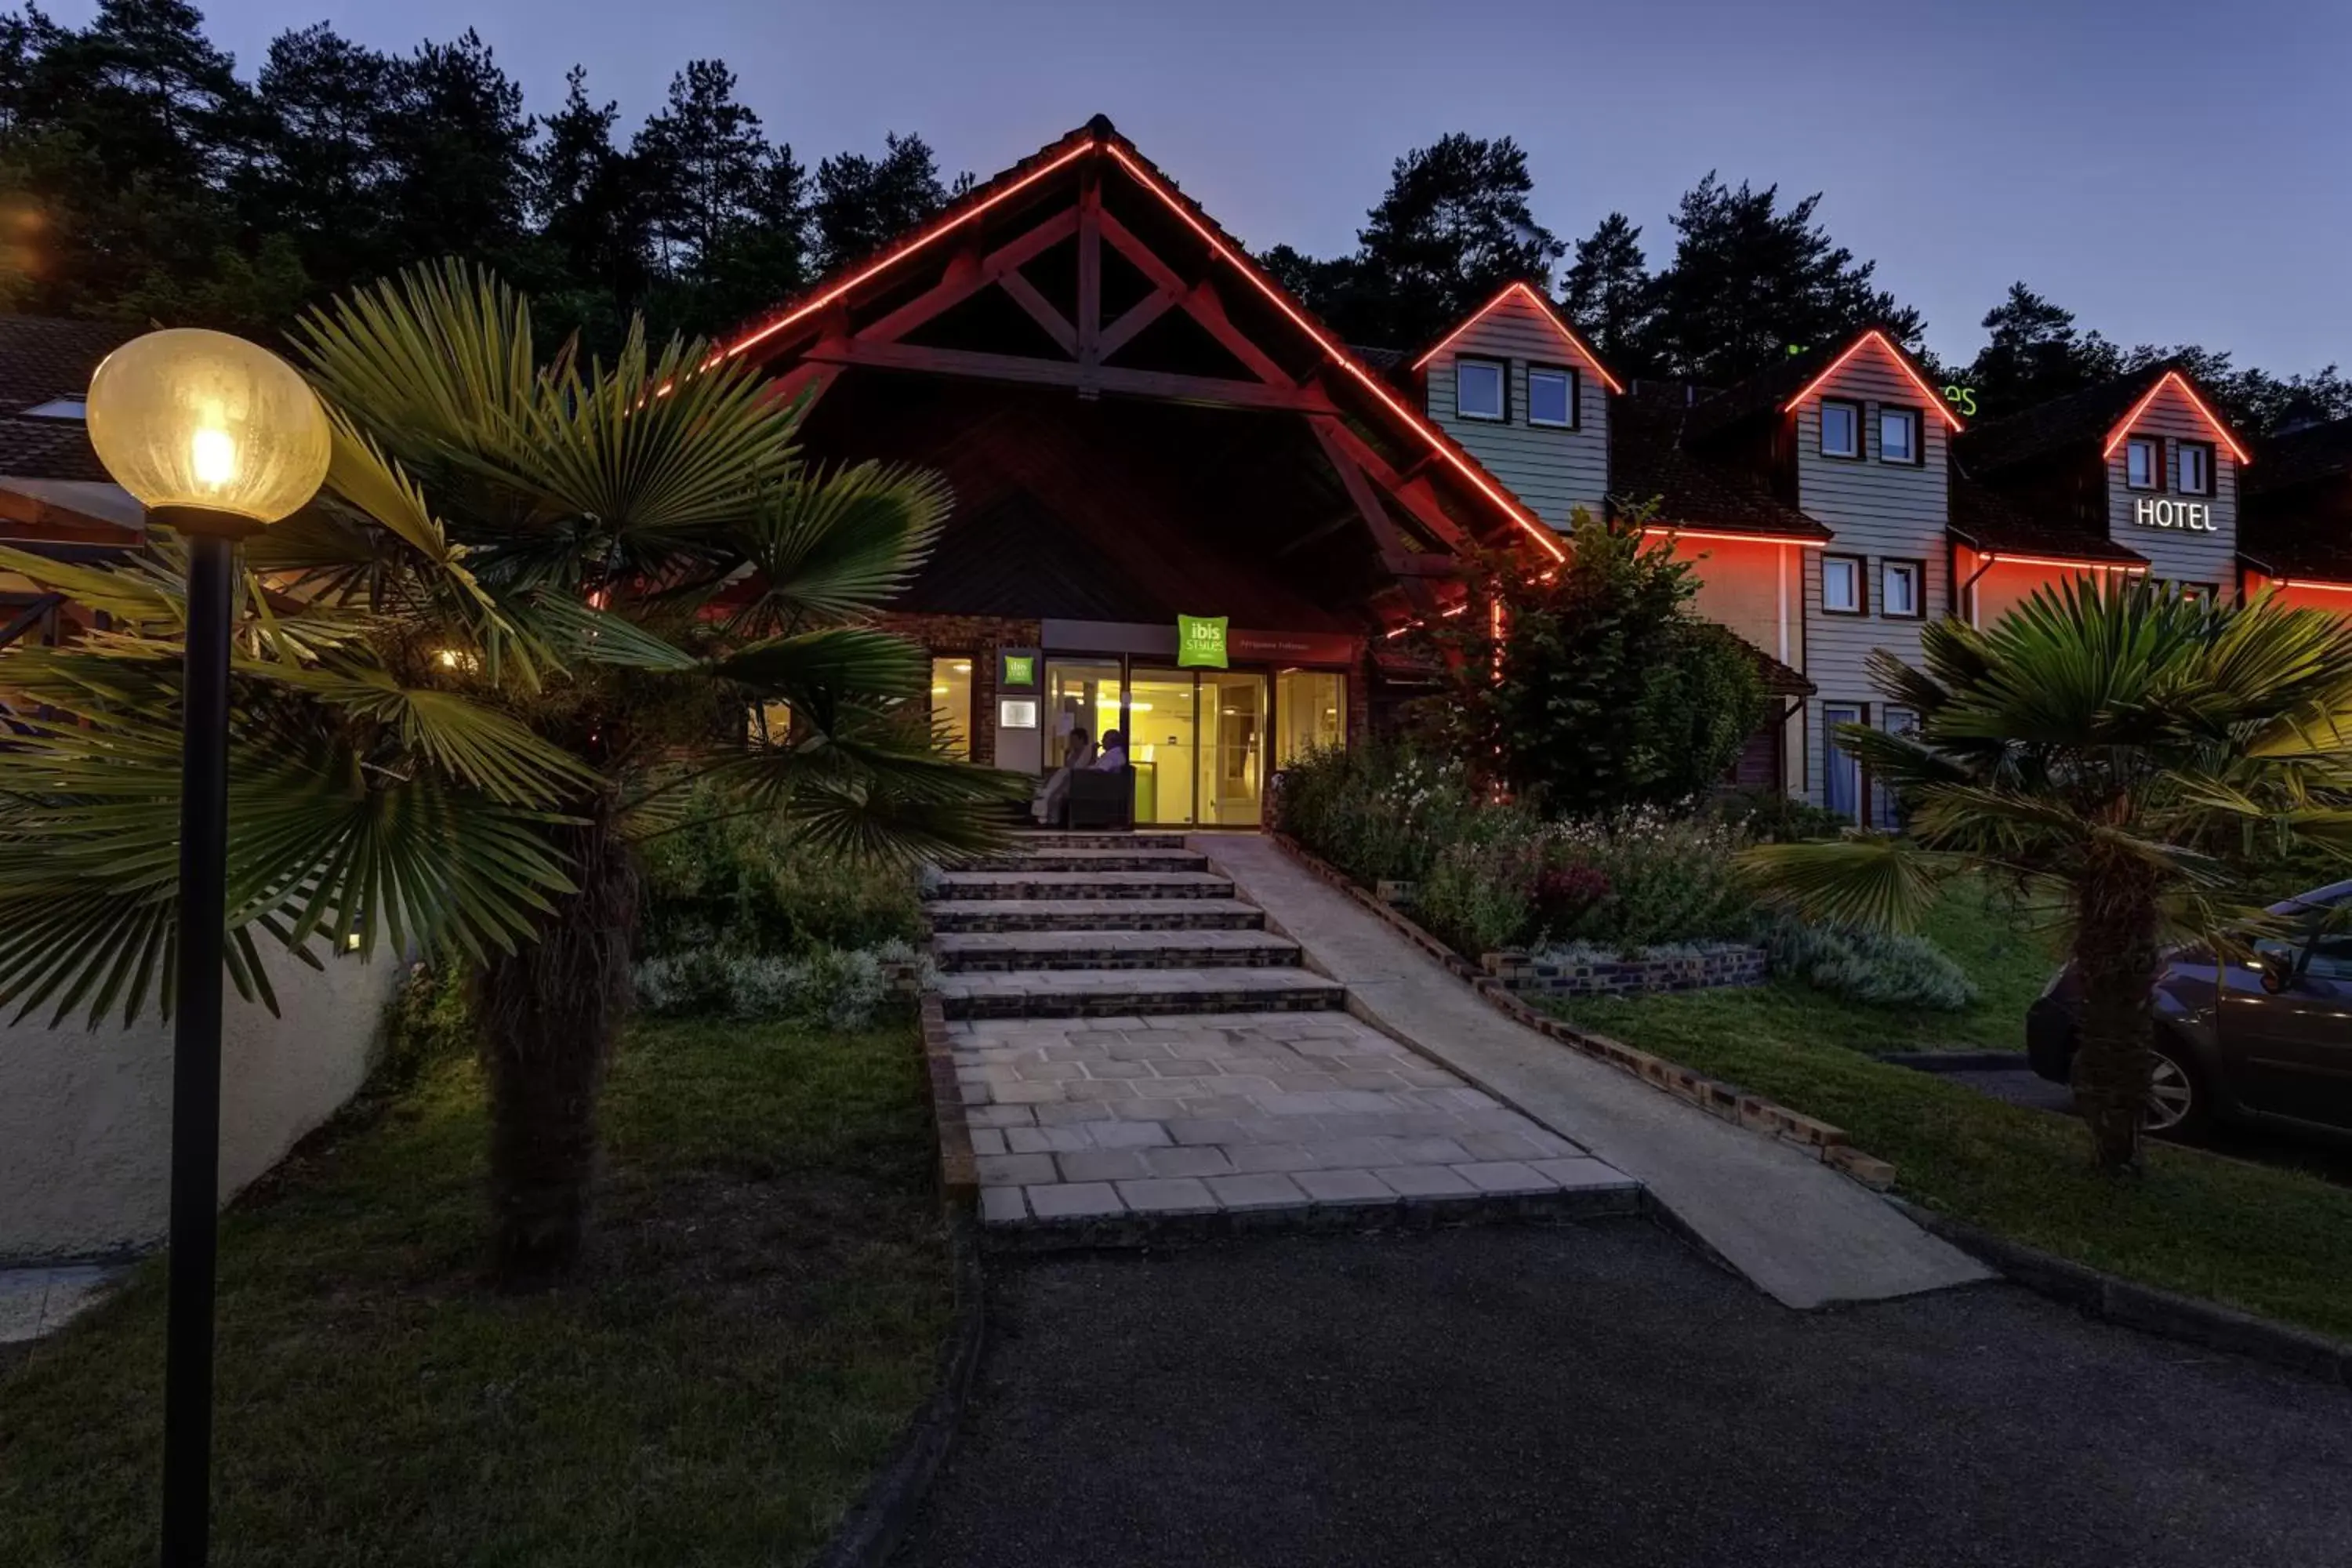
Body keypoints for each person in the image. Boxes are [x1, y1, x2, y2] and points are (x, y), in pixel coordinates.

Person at [1032, 724, 1096, 825]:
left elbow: (1083, 769)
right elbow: (1066, 766)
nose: (1072, 742)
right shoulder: (1072, 752)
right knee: (1044, 790)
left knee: (1054, 795)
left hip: (1075, 780)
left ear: (1081, 740)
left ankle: (1051, 820)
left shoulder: (1088, 752)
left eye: (1074, 739)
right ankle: (1041, 816)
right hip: (1064, 775)